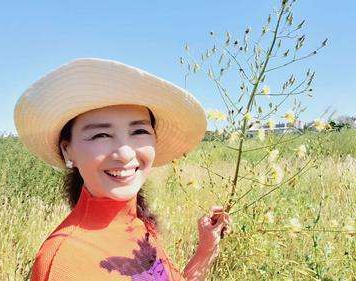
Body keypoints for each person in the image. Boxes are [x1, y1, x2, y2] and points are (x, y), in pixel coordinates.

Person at [14, 58, 232, 281]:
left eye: (138, 131)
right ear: (68, 151)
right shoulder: (65, 261)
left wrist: (207, 248)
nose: (125, 154)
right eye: (101, 135)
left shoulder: (138, 226)